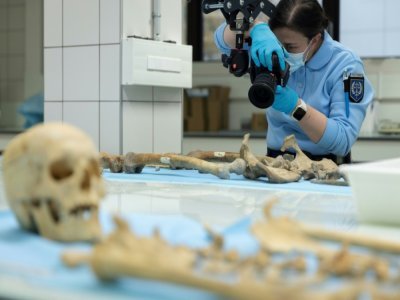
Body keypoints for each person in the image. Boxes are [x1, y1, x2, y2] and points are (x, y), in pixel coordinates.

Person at [214, 0, 373, 164]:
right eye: (277, 44)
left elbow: (343, 141)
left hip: (326, 166)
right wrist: (255, 28)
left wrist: (296, 107)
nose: (282, 53)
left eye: (290, 47)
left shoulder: (345, 65)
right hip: (277, 161)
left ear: (315, 39)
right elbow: (220, 40)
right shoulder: (270, 48)